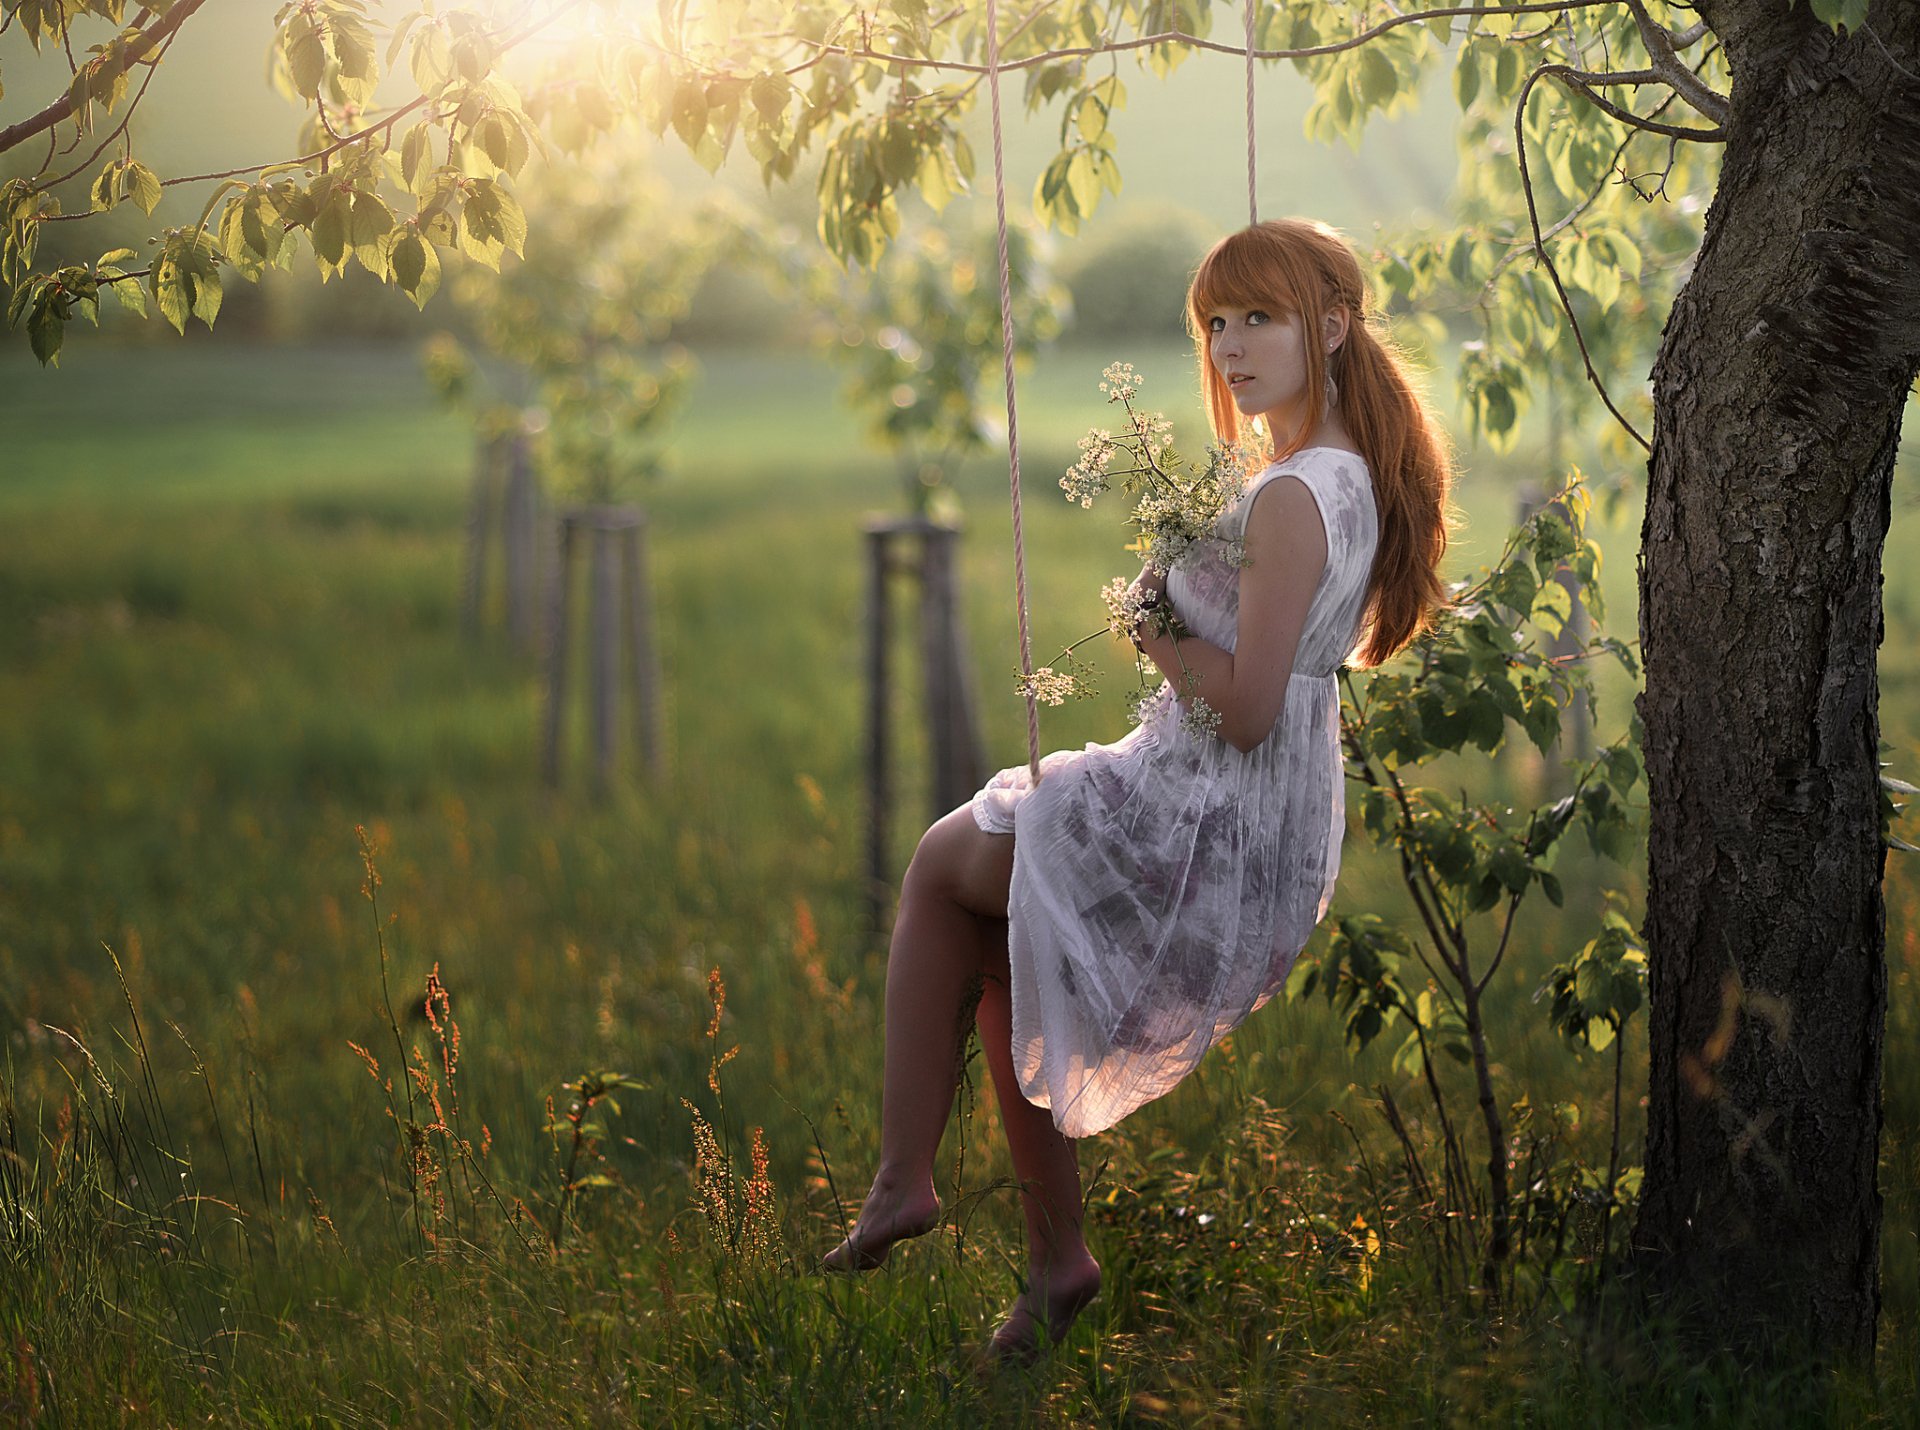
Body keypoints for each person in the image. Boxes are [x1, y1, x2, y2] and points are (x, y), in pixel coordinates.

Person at [824, 217, 1454, 1362]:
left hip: (1203, 807)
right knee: (1006, 931)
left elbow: (1250, 704)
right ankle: (1055, 1264)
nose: (1229, 344)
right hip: (1266, 819)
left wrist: (1156, 628)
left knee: (934, 865)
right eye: (1214, 322)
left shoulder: (1290, 496)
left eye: (1257, 316)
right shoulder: (1347, 474)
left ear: (1332, 323)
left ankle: (903, 1176)